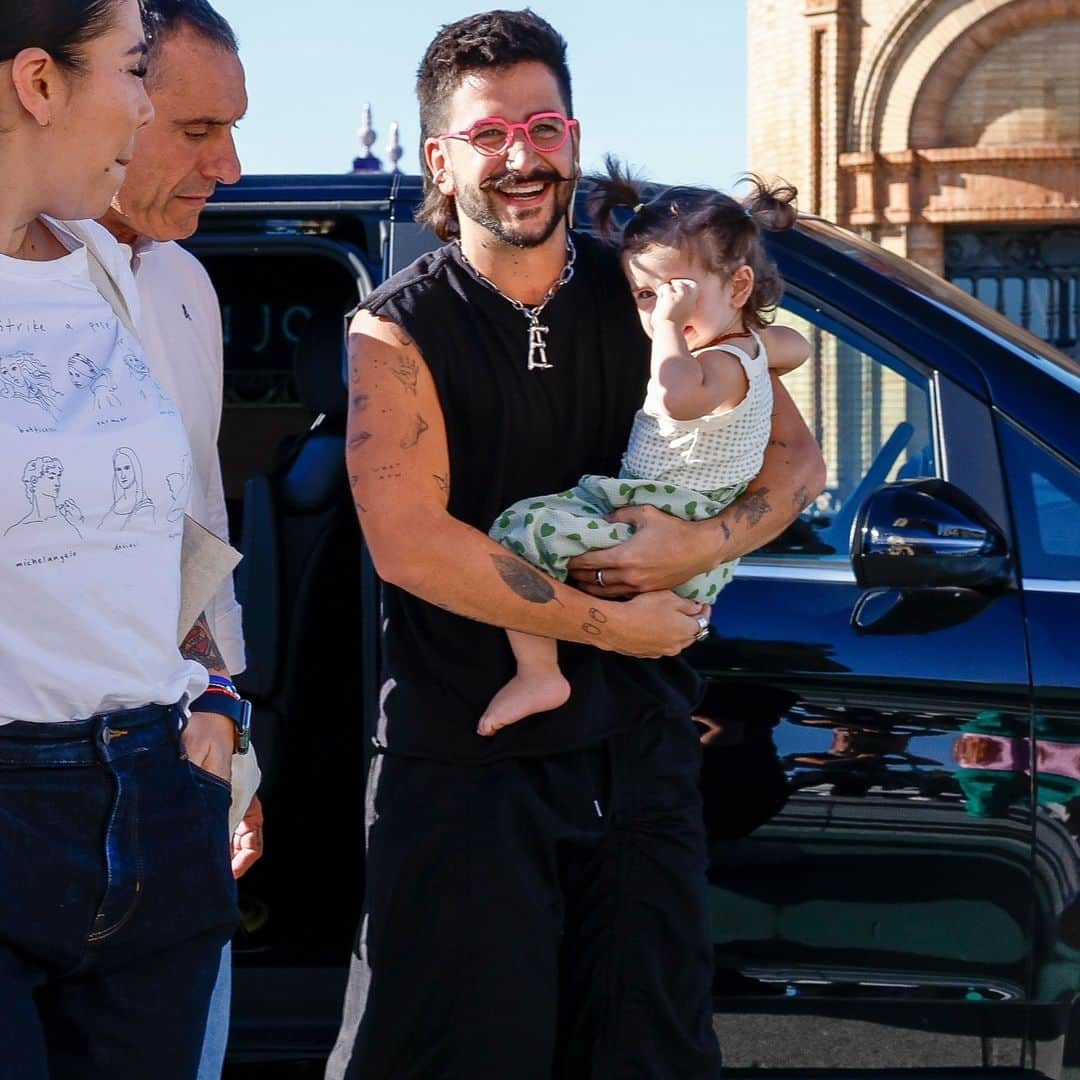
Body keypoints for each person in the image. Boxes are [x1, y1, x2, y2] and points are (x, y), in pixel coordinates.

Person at [326, 10, 825, 1079]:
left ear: (574, 136)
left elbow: (792, 468)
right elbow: (411, 543)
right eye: (490, 134)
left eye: (543, 127)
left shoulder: (650, 288)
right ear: (438, 158)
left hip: (637, 764)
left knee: (646, 1056)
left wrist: (684, 555)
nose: (522, 157)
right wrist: (616, 617)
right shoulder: (396, 327)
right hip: (464, 772)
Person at [0, 2, 247, 1077]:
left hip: (151, 798)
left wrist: (219, 701)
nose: (142, 109)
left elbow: (163, 531)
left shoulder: (114, 275)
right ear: (38, 84)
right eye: (133, 72)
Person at [480, 162, 809, 734]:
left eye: (675, 293)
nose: (659, 310)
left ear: (737, 287)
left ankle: (539, 672)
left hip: (667, 518)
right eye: (645, 295)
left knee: (519, 528)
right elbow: (797, 345)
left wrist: (667, 328)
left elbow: (678, 398)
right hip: (675, 517)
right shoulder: (754, 345)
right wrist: (747, 333)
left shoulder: (714, 365)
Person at [96, 2, 259, 1076]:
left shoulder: (191, 286)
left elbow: (197, 532)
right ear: (115, 101)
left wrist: (233, 733)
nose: (231, 165)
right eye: (198, 130)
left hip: (178, 763)